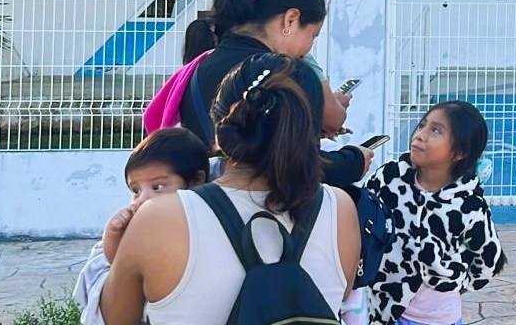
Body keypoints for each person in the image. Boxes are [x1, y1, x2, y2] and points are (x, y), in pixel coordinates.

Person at [100, 53, 361, 324]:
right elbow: (339, 293)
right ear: (314, 128)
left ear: (222, 119)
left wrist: (114, 255)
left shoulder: (160, 217)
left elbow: (112, 318)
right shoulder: (339, 209)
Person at [184, 0, 369, 187]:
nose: (308, 47)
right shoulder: (285, 75)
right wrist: (352, 161)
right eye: (312, 36)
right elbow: (292, 166)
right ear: (290, 20)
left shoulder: (200, 66)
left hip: (206, 199)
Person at [365, 100, 505, 325]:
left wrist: (457, 285)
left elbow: (489, 257)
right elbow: (364, 220)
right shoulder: (389, 179)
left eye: (435, 130)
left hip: (437, 318)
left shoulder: (468, 204)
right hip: (384, 310)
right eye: (421, 125)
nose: (420, 135)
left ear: (460, 152)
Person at [74, 128, 211, 325]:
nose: (142, 199)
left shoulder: (202, 219)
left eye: (157, 187)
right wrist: (113, 238)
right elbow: (122, 272)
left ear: (197, 180)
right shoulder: (137, 225)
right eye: (136, 190)